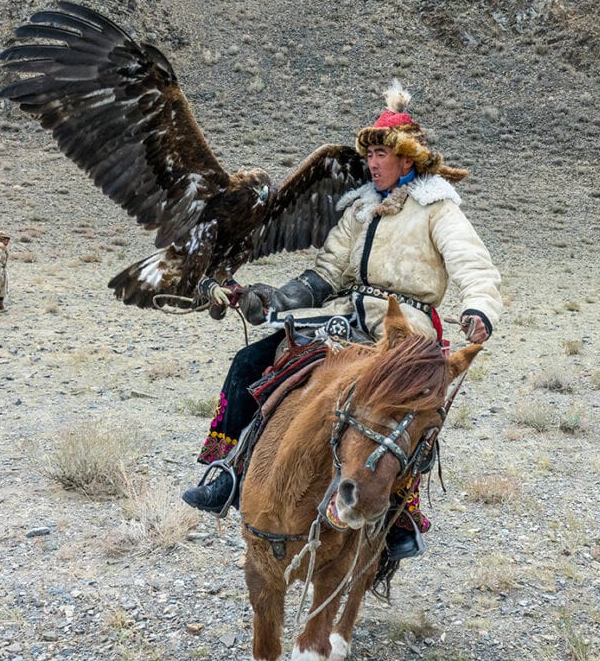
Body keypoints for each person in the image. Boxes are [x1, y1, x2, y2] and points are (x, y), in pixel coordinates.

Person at [182, 79, 503, 560]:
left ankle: (399, 514)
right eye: (369, 153)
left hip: (405, 332)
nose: (371, 162)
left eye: (381, 153)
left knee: (401, 415)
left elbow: (474, 265)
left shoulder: (438, 209)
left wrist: (479, 308)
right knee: (252, 361)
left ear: (407, 159)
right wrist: (271, 299)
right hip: (344, 318)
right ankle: (230, 470)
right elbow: (327, 273)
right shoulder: (359, 209)